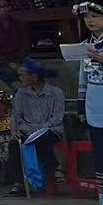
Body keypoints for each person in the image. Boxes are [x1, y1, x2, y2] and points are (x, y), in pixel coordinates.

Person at [9, 58, 66, 197]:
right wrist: (15, 131)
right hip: (27, 129)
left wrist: (37, 130)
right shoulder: (21, 93)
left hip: (50, 129)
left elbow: (57, 118)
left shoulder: (56, 93)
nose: (20, 78)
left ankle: (53, 172)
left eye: (23, 75)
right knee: (14, 145)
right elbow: (16, 115)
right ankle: (19, 183)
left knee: (42, 141)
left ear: (34, 77)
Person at [73, 0, 103, 205]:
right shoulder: (86, 46)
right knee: (101, 156)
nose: (90, 20)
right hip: (96, 107)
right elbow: (82, 80)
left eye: (95, 16)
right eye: (87, 17)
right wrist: (81, 106)